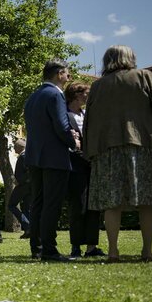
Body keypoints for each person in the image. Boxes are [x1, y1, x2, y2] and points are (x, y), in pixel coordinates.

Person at [84, 45, 152, 262]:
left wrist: (89, 150)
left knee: (111, 203)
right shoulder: (145, 77)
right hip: (144, 145)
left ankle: (113, 251)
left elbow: (89, 121)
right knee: (147, 200)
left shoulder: (98, 86)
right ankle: (147, 251)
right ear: (130, 58)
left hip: (107, 149)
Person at [24, 59, 78, 262]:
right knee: (51, 204)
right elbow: (62, 125)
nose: (69, 78)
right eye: (67, 74)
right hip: (54, 157)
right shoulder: (55, 94)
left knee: (37, 203)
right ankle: (49, 249)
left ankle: (36, 248)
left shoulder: (33, 96)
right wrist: (73, 142)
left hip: (34, 156)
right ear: (58, 74)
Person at [64, 83, 104, 258]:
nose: (89, 97)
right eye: (86, 93)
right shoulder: (65, 115)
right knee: (78, 206)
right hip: (74, 165)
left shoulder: (87, 114)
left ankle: (91, 246)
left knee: (93, 206)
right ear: (76, 95)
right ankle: (75, 246)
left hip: (91, 163)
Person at [8, 139, 30, 239]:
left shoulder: (23, 156)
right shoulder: (28, 155)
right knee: (26, 208)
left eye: (15, 147)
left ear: (19, 147)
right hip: (28, 186)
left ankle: (28, 225)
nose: (14, 149)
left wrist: (19, 181)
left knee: (11, 205)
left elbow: (27, 173)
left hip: (23, 186)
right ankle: (28, 231)